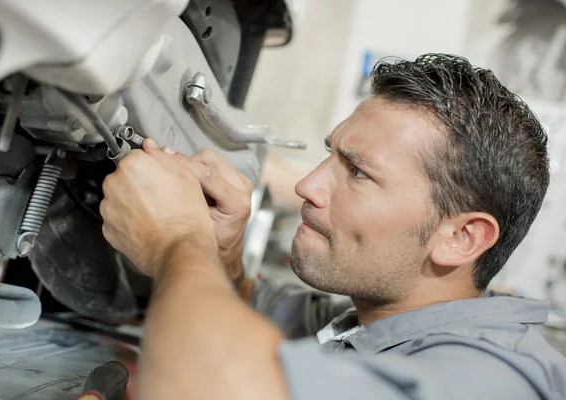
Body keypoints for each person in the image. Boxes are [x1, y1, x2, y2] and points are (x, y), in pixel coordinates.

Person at [99, 54, 566, 399]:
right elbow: (240, 307)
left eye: (359, 172)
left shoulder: (494, 381)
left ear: (460, 238)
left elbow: (209, 386)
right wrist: (221, 249)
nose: (306, 186)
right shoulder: (366, 322)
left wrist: (177, 240)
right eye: (330, 156)